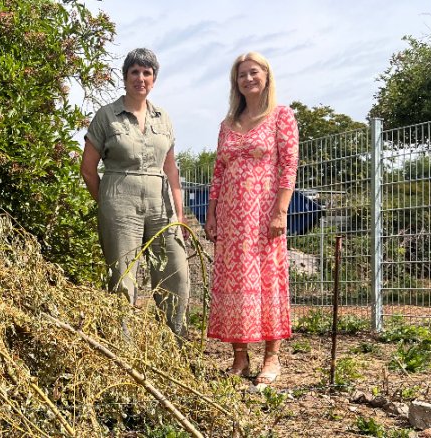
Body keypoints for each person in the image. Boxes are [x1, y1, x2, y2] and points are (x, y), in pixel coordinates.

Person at [80, 48, 190, 336]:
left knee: (175, 271)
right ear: (125, 76)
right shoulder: (107, 116)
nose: (140, 78)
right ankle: (122, 347)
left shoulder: (163, 117)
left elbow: (172, 170)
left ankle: (176, 343)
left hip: (161, 203)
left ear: (154, 79)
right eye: (135, 72)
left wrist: (180, 215)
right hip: (119, 201)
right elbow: (88, 169)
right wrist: (107, 203)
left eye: (147, 73)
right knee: (123, 275)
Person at [204, 52, 299, 385]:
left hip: (264, 216)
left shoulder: (281, 116)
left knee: (267, 281)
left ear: (266, 75)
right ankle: (240, 358)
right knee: (233, 284)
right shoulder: (227, 125)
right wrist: (211, 213)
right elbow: (217, 173)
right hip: (230, 219)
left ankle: (271, 358)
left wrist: (281, 211)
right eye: (241, 75)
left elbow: (289, 167)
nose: (247, 79)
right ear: (236, 83)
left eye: (253, 73)